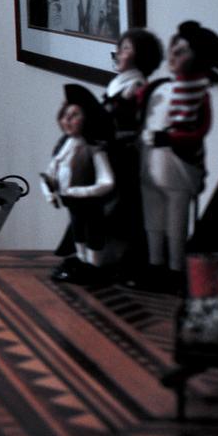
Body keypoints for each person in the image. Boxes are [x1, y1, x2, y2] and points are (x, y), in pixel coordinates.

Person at [141, 20, 218, 287]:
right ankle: (154, 263)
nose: (172, 57)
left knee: (175, 222)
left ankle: (174, 268)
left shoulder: (198, 94)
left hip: (177, 165)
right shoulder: (159, 89)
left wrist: (169, 137)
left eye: (180, 52)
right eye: (172, 50)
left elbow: (199, 130)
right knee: (153, 219)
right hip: (149, 163)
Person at [100, 29, 163, 270]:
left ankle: (117, 260)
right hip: (110, 152)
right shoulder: (120, 83)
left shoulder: (135, 86)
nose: (119, 53)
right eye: (121, 47)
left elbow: (131, 121)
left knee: (118, 208)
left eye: (126, 49)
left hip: (123, 157)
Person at [45, 84, 117, 283]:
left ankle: (94, 266)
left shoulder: (93, 149)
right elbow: (51, 173)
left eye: (74, 115)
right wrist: (50, 191)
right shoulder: (63, 145)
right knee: (78, 234)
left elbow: (107, 182)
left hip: (88, 203)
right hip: (72, 203)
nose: (67, 120)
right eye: (65, 115)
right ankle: (82, 260)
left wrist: (80, 191)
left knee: (92, 232)